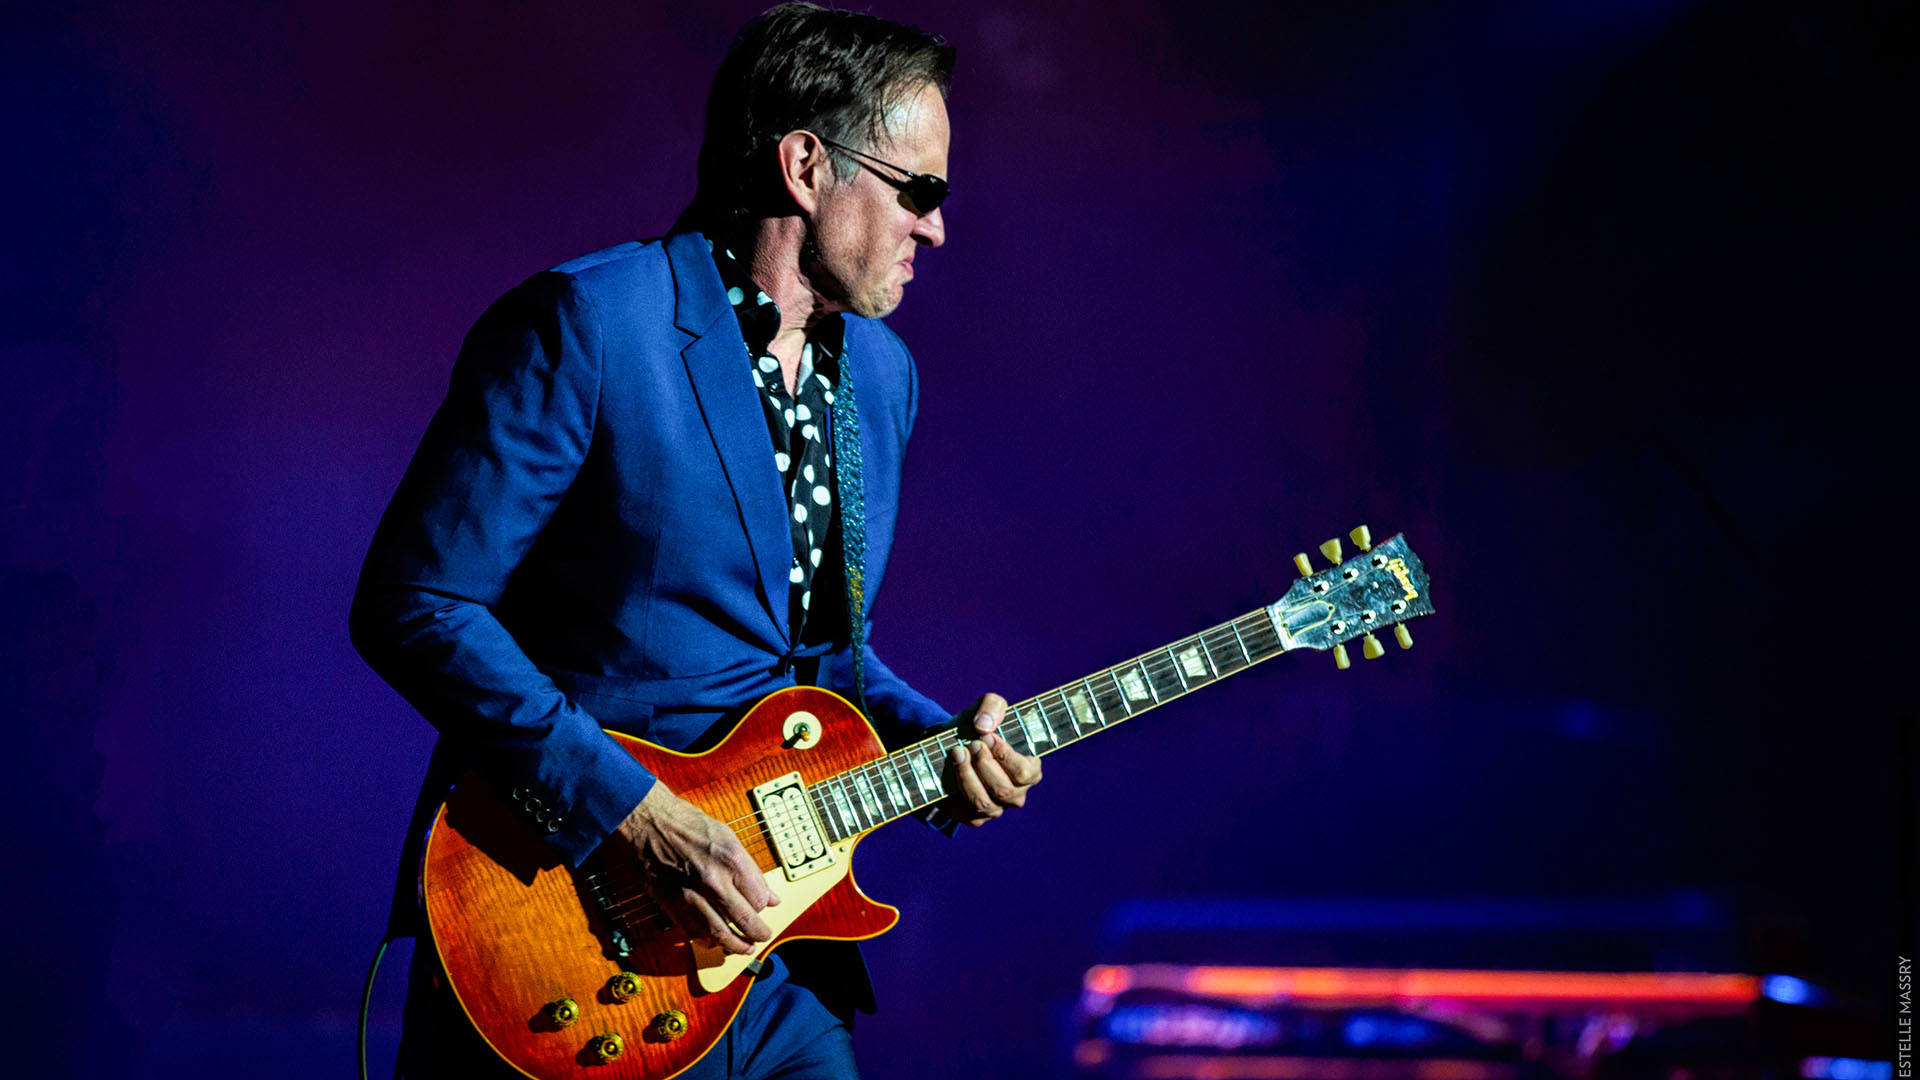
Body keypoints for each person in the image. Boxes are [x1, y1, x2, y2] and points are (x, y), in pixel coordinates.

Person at [348, 4, 1040, 1077]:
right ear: (806, 166)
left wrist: (938, 742)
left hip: (781, 960)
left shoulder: (882, 377)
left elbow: (818, 657)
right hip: (573, 934)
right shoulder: (590, 323)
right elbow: (417, 603)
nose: (937, 228)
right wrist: (635, 817)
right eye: (919, 190)